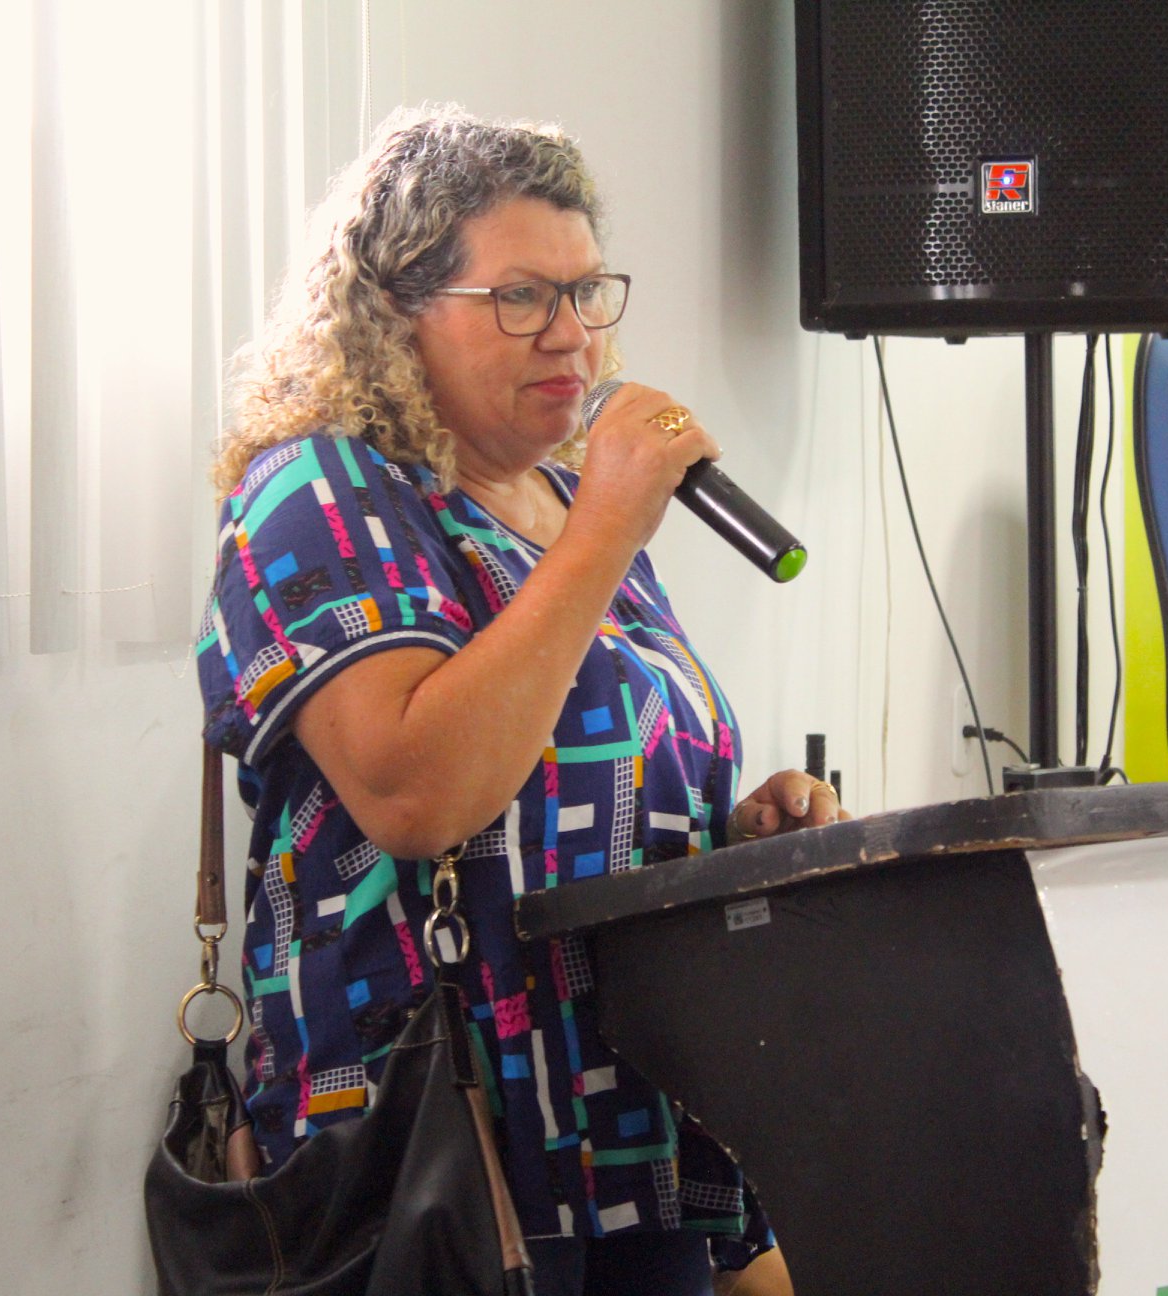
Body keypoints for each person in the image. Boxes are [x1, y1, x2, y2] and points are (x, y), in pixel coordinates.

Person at [195, 105, 833, 1296]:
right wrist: (609, 524)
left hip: (635, 1132)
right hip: (437, 1154)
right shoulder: (321, 492)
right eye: (522, 297)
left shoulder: (566, 508)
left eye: (587, 293)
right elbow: (418, 794)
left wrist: (733, 828)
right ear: (395, 312)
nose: (573, 334)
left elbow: (572, 771)